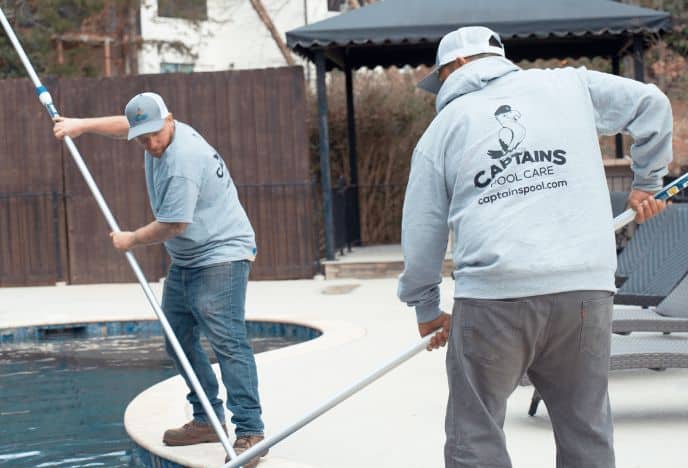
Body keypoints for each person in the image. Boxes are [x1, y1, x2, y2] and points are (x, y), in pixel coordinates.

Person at [397, 26, 672, 468]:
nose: (441, 88)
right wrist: (646, 184)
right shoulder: (570, 84)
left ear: (459, 65)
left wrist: (426, 308)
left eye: (442, 76)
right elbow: (651, 104)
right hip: (583, 292)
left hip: (493, 298)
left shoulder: (442, 128)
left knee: (476, 434)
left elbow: (422, 229)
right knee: (586, 430)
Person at [53, 92, 267, 467]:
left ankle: (251, 431)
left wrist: (131, 239)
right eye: (143, 136)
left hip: (222, 253)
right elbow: (126, 126)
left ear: (171, 120)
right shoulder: (155, 129)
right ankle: (206, 418)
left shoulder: (182, 161)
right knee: (177, 340)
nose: (149, 143)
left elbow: (174, 224)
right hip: (188, 256)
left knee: (228, 342)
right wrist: (81, 126)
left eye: (155, 134)